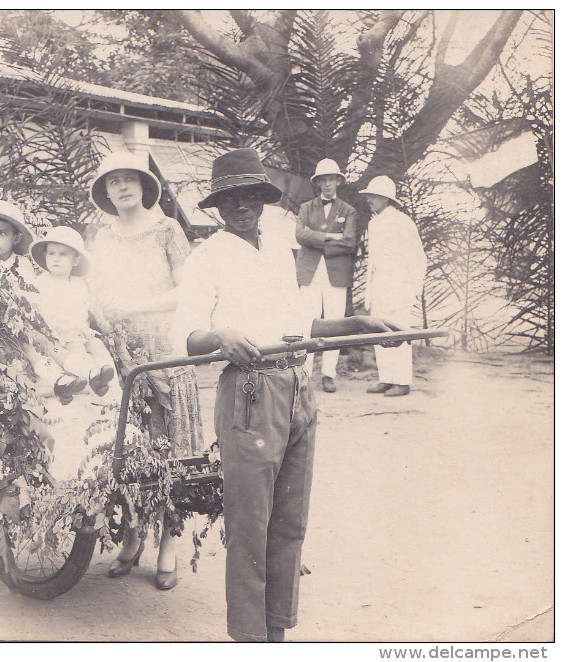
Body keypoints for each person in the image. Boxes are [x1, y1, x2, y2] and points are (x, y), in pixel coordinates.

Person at [171, 148, 399, 642]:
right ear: (218, 206)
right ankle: (250, 639)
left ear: (262, 198)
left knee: (290, 521)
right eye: (230, 198)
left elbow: (298, 325)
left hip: (299, 387)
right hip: (248, 393)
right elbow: (185, 336)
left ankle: (278, 631)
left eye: (250, 194)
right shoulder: (205, 258)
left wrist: (358, 324)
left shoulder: (276, 249)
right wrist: (220, 336)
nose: (242, 205)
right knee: (250, 529)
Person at [86, 150, 203, 591]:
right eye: (113, 181)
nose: (122, 187)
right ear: (106, 191)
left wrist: (135, 306)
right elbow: (94, 289)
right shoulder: (102, 237)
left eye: (129, 179)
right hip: (120, 353)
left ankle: (169, 545)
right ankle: (133, 537)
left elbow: (189, 290)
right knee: (129, 447)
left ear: (144, 184)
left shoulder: (167, 229)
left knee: (169, 445)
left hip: (164, 349)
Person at [29, 225, 116, 401]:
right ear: (45, 256)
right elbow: (34, 312)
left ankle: (105, 374)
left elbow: (85, 309)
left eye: (63, 254)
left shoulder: (79, 284)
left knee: (96, 343)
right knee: (67, 349)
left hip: (77, 332)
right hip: (53, 335)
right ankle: (87, 375)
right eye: (51, 253)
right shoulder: (39, 283)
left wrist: (87, 328)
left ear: (75, 260)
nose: (56, 259)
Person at [295, 159, 358, 393]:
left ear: (338, 182)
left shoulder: (348, 210)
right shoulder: (306, 208)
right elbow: (300, 234)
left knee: (335, 321)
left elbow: (350, 242)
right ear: (318, 183)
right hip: (310, 272)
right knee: (306, 321)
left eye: (332, 179)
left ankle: (329, 374)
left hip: (336, 273)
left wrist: (317, 239)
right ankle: (305, 372)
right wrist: (331, 236)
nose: (328, 184)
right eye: (324, 180)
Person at [361, 176, 427, 397]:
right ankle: (386, 378)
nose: (369, 199)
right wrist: (369, 291)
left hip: (399, 288)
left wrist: (413, 288)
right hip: (380, 286)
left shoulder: (403, 222)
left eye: (373, 195)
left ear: (385, 198)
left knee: (399, 333)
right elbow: (372, 263)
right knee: (380, 332)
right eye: (368, 195)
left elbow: (418, 257)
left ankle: (402, 381)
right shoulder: (374, 223)